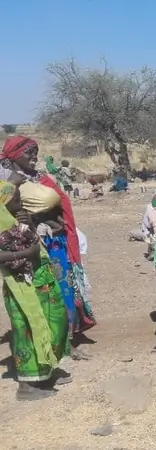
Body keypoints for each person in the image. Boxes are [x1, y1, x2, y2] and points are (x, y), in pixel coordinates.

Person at [1, 136, 96, 358]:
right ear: (14, 156)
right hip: (36, 245)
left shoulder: (39, 178)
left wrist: (58, 223)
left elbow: (58, 204)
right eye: (28, 153)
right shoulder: (8, 183)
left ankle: (65, 340)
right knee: (47, 297)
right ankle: (55, 347)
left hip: (57, 241)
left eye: (36, 152)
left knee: (64, 291)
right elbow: (11, 217)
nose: (34, 156)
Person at [0, 180, 71, 400]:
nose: (22, 203)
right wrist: (24, 254)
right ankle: (28, 384)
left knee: (54, 323)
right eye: (17, 200)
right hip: (22, 286)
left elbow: (34, 241)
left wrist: (29, 224)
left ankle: (46, 370)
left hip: (42, 280)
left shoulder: (18, 219)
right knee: (28, 331)